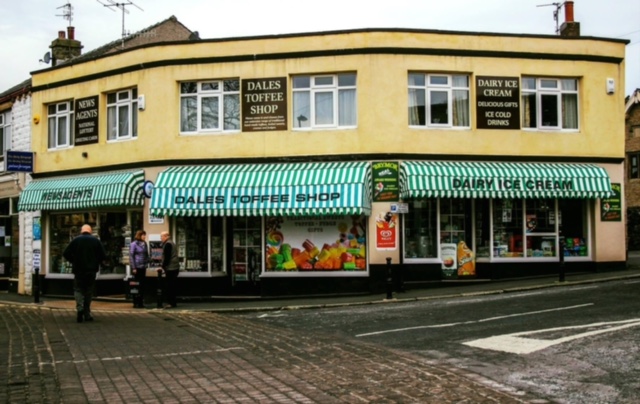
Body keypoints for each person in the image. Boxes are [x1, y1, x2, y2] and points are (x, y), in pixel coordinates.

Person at [63, 224, 106, 323]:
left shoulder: (76, 240)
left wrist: (73, 260)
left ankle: (80, 308)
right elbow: (103, 255)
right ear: (90, 231)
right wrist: (96, 262)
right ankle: (87, 314)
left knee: (78, 289)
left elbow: (65, 253)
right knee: (88, 291)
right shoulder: (96, 241)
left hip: (78, 270)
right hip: (91, 271)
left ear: (81, 231)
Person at [129, 230, 149, 308]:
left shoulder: (145, 244)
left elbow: (146, 255)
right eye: (143, 235)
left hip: (143, 266)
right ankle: (135, 302)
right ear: (139, 236)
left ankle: (140, 302)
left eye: (145, 235)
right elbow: (131, 256)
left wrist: (149, 262)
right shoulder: (134, 244)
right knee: (136, 285)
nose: (144, 237)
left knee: (142, 285)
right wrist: (133, 267)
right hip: (136, 267)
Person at [160, 231, 180, 308]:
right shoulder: (171, 243)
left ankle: (171, 303)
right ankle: (172, 302)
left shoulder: (168, 244)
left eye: (161, 236)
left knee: (170, 286)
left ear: (166, 236)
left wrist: (163, 266)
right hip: (174, 267)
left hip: (171, 268)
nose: (161, 238)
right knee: (172, 285)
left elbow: (167, 257)